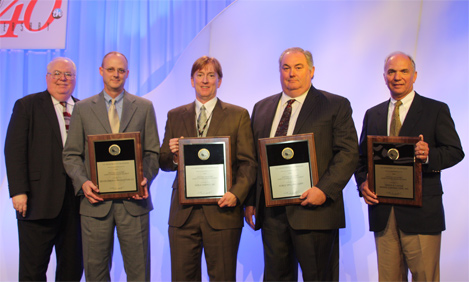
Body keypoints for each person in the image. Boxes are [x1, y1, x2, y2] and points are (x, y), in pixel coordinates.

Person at [245, 47, 359, 281]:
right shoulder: (261, 108)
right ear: (279, 72)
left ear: (312, 71)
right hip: (273, 215)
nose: (291, 73)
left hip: (315, 210)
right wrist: (250, 201)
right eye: (286, 68)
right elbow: (254, 159)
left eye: (298, 67)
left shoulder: (335, 105)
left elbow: (348, 154)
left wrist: (323, 190)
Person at [354, 52, 464, 281]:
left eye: (404, 71)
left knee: (425, 276)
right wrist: (363, 182)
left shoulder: (436, 110)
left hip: (422, 212)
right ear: (384, 77)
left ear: (414, 75)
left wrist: (429, 155)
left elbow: (455, 151)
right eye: (391, 72)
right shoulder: (373, 114)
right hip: (383, 212)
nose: (397, 77)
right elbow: (361, 158)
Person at [62, 51, 160, 281]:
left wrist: (144, 177)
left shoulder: (144, 107)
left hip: (134, 204)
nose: (116, 74)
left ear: (127, 73)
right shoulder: (83, 108)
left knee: (139, 272)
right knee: (95, 273)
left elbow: (152, 152)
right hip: (95, 203)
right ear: (101, 71)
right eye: (111, 69)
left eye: (121, 70)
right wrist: (83, 183)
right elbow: (71, 155)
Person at [159, 56, 257, 281]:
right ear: (191, 80)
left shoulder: (238, 115)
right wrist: (174, 157)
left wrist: (236, 194)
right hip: (183, 216)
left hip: (223, 212)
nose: (205, 80)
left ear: (219, 81)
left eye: (211, 75)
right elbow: (163, 160)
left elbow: (248, 163)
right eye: (200, 75)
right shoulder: (175, 115)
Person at [4, 57, 83, 281]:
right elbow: (14, 150)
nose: (62, 79)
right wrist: (19, 191)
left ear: (75, 79)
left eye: (68, 74)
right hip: (37, 201)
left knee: (72, 268)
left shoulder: (84, 108)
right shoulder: (27, 105)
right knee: (33, 269)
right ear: (47, 77)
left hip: (77, 203)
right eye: (57, 73)